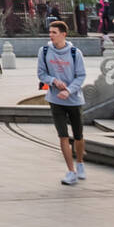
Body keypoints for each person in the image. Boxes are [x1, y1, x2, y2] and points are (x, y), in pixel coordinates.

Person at [37, 20, 87, 185]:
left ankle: (80, 162)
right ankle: (71, 171)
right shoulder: (44, 51)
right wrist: (54, 81)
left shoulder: (75, 53)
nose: (50, 35)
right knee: (63, 136)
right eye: (50, 32)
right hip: (55, 99)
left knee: (78, 136)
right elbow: (41, 74)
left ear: (63, 34)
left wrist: (69, 90)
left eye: (54, 32)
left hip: (74, 100)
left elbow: (81, 75)